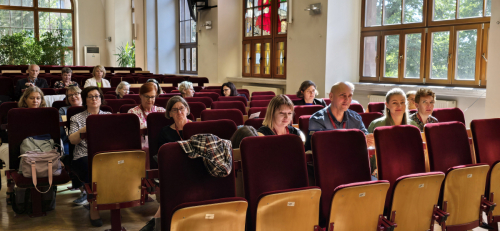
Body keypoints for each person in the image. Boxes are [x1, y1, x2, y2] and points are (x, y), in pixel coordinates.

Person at [140, 96, 192, 231]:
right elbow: (162, 156)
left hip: (194, 168)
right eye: (175, 110)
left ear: (187, 109)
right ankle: (160, 223)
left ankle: (156, 222)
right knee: (176, 182)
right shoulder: (165, 132)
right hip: (172, 170)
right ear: (169, 113)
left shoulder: (196, 127)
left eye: (181, 108)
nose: (179, 112)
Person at [68, 86, 111, 227]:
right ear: (85, 100)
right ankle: (94, 207)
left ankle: (116, 201)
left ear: (101, 99)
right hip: (84, 154)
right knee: (92, 167)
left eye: (97, 96)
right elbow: (72, 140)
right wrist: (87, 127)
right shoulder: (77, 118)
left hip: (105, 153)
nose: (94, 99)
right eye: (90, 96)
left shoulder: (108, 116)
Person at [308, 82, 372, 147]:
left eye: (349, 96)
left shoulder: (356, 118)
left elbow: (366, 138)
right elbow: (319, 148)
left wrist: (370, 140)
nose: (347, 99)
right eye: (342, 95)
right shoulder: (317, 120)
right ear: (331, 96)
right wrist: (357, 141)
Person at [128, 83, 166, 148]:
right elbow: (130, 135)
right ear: (140, 95)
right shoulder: (132, 112)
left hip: (158, 146)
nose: (150, 100)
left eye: (152, 97)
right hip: (139, 147)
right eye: (147, 96)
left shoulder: (161, 111)